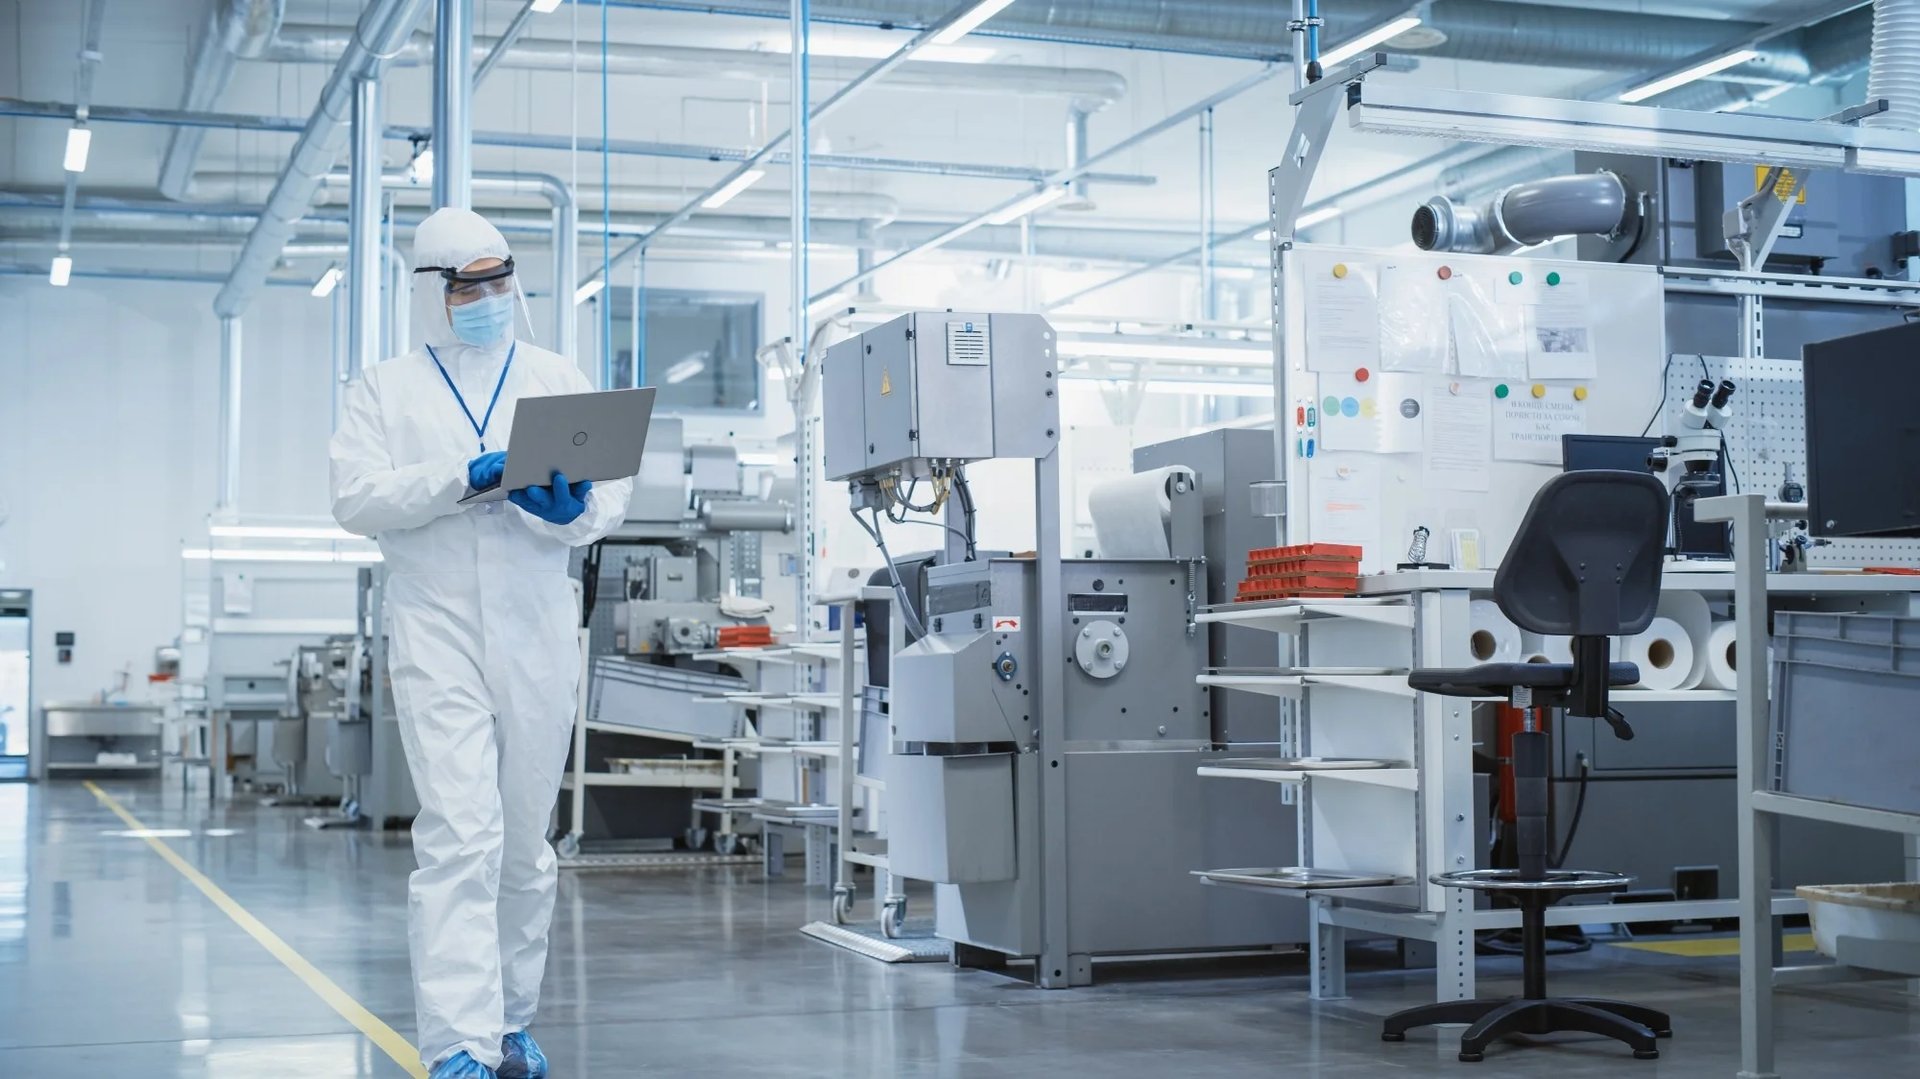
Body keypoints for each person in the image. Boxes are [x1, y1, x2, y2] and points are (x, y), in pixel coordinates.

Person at [331, 207, 634, 1079]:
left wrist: (575, 511)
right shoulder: (383, 389)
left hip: (540, 619)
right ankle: (457, 1042)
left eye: (501, 281)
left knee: (525, 840)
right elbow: (355, 499)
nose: (490, 298)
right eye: (471, 285)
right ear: (435, 292)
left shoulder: (554, 373)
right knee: (461, 833)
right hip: (437, 625)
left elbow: (609, 490)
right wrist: (460, 478)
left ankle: (510, 1024)